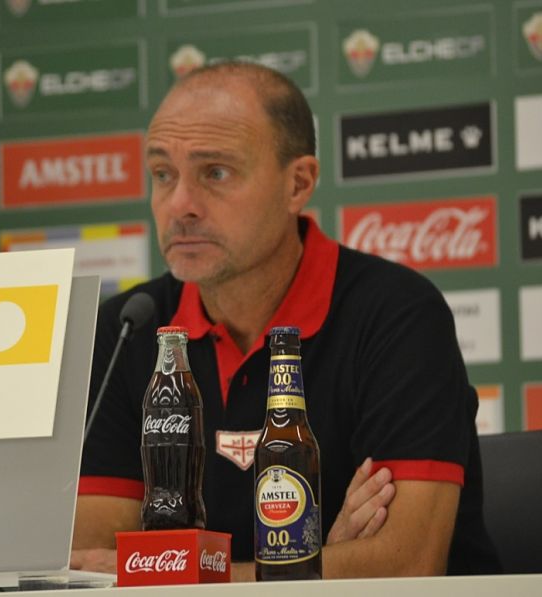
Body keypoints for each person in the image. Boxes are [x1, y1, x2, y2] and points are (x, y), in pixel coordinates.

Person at [71, 62, 500, 580]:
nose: (179, 205)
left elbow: (406, 564)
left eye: (216, 173)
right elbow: (92, 569)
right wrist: (311, 566)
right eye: (163, 175)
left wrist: (180, 570)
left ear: (298, 183)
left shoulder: (398, 316)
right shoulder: (128, 331)